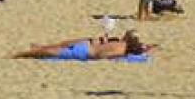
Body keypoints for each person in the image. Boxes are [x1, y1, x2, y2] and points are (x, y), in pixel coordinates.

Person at [13, 31, 152, 61]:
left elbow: (102, 56)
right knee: (60, 46)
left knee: (54, 51)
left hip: (85, 50)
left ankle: (22, 54)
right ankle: (39, 48)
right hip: (87, 46)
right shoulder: (122, 44)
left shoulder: (121, 49)